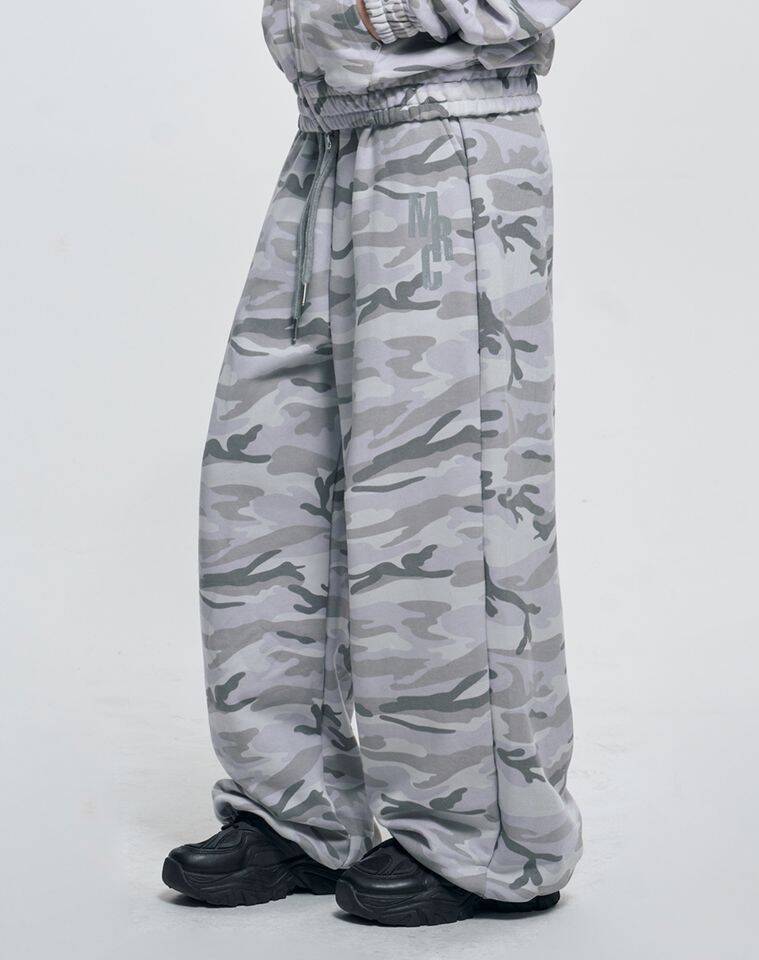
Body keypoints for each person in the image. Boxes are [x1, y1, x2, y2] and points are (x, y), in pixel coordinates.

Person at [162, 0, 584, 926]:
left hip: (452, 136)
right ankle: (301, 810)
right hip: (329, 136)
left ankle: (486, 840)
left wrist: (383, 12)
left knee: (442, 502)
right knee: (267, 480)